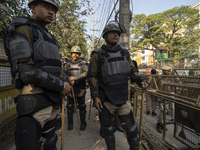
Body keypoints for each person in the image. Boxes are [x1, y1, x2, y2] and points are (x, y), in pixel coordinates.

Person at [6, 0, 72, 150]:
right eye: (47, 7)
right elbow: (27, 73)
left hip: (52, 102)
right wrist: (60, 85)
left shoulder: (49, 36)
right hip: (34, 102)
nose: (51, 12)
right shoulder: (23, 28)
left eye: (53, 10)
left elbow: (53, 67)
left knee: (50, 143)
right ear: (33, 8)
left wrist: (65, 80)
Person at [88, 21, 149, 150]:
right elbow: (92, 76)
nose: (116, 35)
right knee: (108, 130)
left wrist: (142, 81)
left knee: (131, 130)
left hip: (123, 98)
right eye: (112, 33)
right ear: (105, 36)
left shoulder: (125, 53)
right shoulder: (97, 54)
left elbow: (133, 73)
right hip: (105, 99)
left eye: (117, 33)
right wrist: (95, 96)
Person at [63, 46, 88, 131]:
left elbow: (85, 74)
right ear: (71, 54)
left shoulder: (84, 64)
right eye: (73, 53)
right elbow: (63, 74)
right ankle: (70, 124)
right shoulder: (67, 64)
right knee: (70, 106)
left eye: (77, 53)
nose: (75, 55)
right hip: (70, 87)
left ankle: (83, 123)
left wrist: (75, 78)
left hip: (80, 87)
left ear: (79, 54)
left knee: (81, 106)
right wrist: (69, 78)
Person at [156, 66, 173, 133]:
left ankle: (162, 124)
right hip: (162, 97)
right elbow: (159, 89)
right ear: (164, 71)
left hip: (167, 96)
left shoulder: (169, 78)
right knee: (162, 110)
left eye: (169, 71)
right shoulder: (160, 79)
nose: (169, 72)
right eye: (168, 71)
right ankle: (158, 124)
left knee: (165, 111)